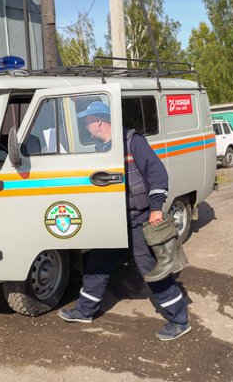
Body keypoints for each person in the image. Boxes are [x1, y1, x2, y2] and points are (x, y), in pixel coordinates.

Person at [58, 101, 191, 341]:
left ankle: (179, 319)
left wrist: (156, 209)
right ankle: (85, 311)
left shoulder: (132, 141)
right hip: (115, 219)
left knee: (151, 268)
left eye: (87, 122)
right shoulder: (103, 148)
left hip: (139, 218)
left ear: (99, 121)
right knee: (98, 263)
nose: (86, 127)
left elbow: (157, 174)